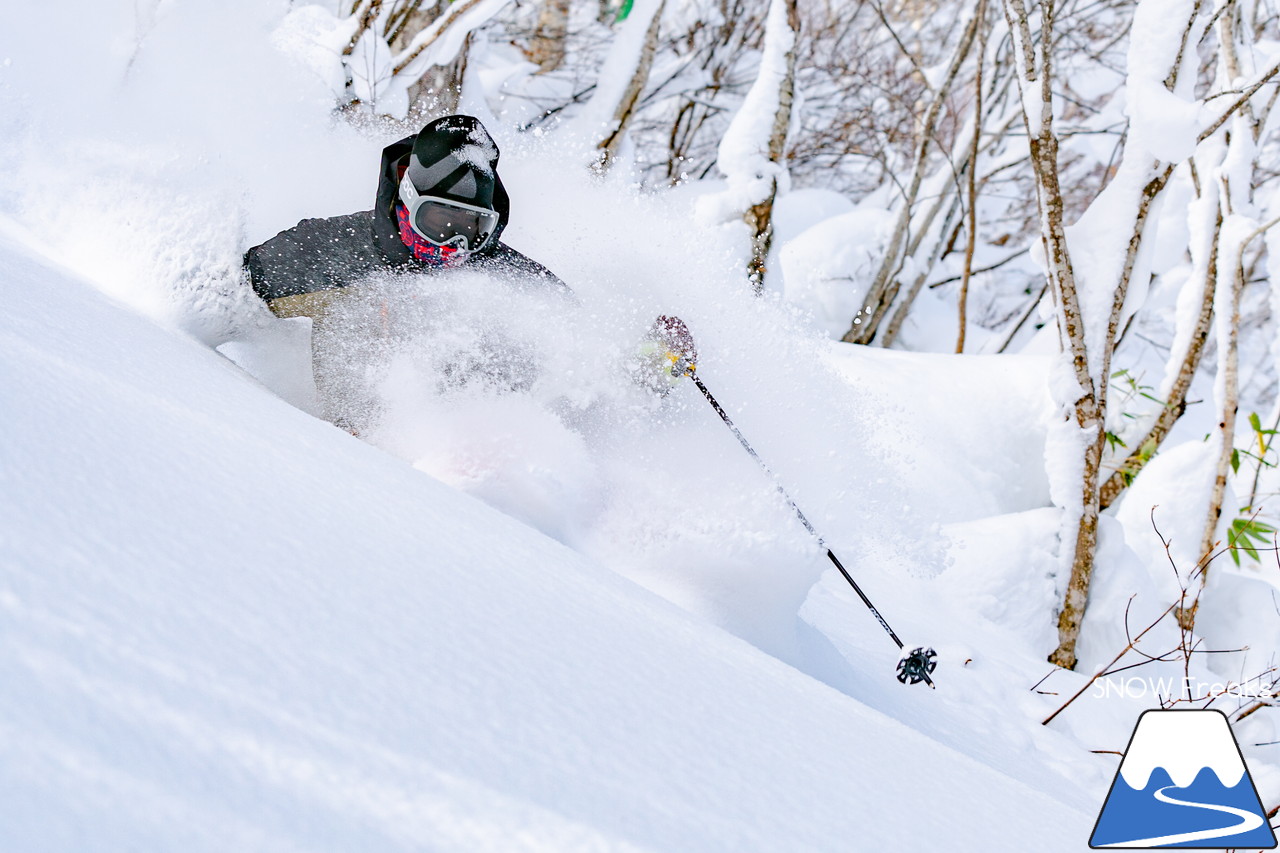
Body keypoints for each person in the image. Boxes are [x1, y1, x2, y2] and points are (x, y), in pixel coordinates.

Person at [243, 114, 569, 428]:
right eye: (440, 221)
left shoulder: (509, 281)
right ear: (410, 200)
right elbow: (226, 292)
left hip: (457, 451)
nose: (455, 243)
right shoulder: (330, 250)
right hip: (341, 454)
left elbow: (578, 344)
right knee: (364, 298)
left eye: (471, 227)